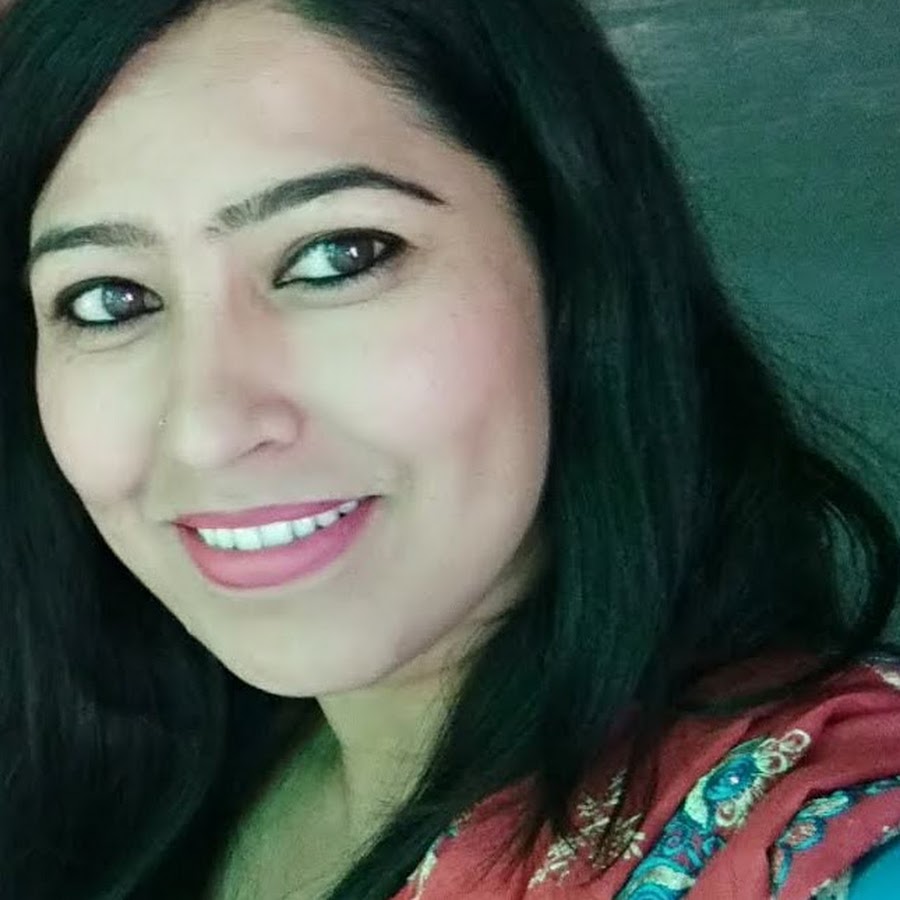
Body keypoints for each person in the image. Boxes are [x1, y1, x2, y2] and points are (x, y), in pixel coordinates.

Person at [1, 1, 899, 898]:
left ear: (572, 268)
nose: (207, 427)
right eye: (109, 300)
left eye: (339, 255)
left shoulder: (835, 850)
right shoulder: (129, 769)